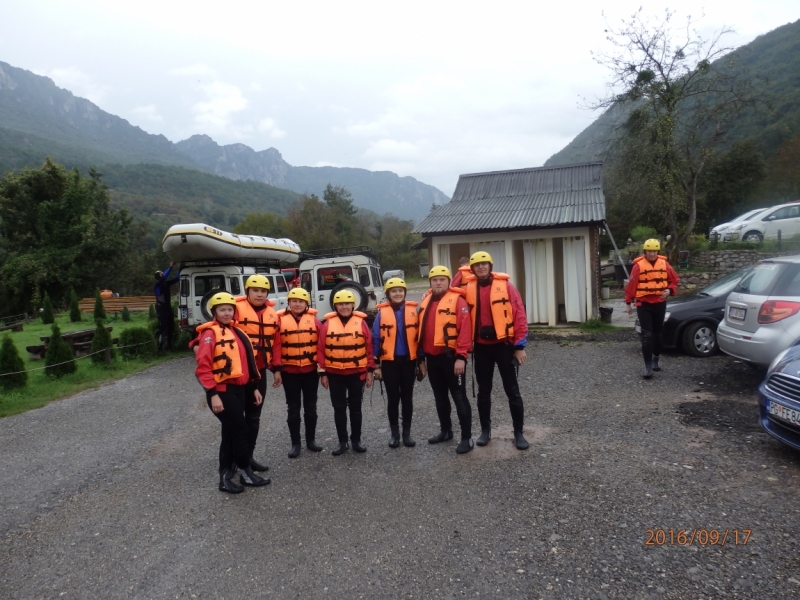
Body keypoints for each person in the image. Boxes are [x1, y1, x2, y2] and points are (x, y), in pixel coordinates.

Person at [194, 292, 270, 493]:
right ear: (214, 312)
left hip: (239, 389)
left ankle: (226, 476)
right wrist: (212, 394)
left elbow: (246, 364)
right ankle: (246, 473)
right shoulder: (210, 334)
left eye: (229, 309)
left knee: (229, 434)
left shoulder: (237, 332)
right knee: (240, 431)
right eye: (222, 310)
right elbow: (203, 368)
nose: (227, 313)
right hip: (222, 391)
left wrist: (253, 387)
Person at [464, 251, 530, 450]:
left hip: (504, 346)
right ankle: (485, 431)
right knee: (484, 392)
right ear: (473, 269)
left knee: (513, 392)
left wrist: (520, 346)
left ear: (490, 266)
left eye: (484, 264)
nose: (481, 267)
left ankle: (518, 433)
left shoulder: (506, 287)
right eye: (477, 265)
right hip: (482, 349)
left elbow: (519, 315)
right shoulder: (467, 288)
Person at [418, 266, 474, 454]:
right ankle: (446, 431)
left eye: (442, 279)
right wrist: (421, 360)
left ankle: (467, 438)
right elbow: (419, 332)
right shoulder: (426, 300)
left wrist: (461, 357)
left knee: (459, 397)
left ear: (449, 281)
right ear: (430, 283)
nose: (438, 282)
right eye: (435, 280)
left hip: (451, 358)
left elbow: (465, 330)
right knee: (440, 398)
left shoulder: (458, 301)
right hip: (432, 358)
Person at [317, 290, 376, 455]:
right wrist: (323, 374)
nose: (344, 307)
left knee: (356, 408)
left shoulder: (361, 323)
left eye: (347, 303)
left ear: (353, 305)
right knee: (339, 409)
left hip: (357, 373)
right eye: (340, 304)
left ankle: (356, 440)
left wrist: (370, 370)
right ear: (335, 306)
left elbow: (369, 348)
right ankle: (343, 442)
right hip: (335, 374)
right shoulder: (327, 324)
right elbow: (320, 349)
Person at [272, 287, 324, 458]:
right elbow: (277, 346)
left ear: (306, 304)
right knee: (293, 408)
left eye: (301, 301)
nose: (297, 304)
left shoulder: (314, 321)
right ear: (289, 303)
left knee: (310, 408)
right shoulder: (280, 321)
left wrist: (322, 370)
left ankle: (311, 440)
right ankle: (295, 443)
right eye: (294, 301)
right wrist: (277, 370)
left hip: (310, 372)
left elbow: (321, 346)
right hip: (289, 372)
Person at [234, 275, 279, 472]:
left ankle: (248, 457)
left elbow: (276, 344)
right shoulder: (235, 309)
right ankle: (235, 459)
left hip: (259, 372)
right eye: (255, 290)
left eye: (263, 291)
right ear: (247, 291)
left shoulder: (272, 313)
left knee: (253, 417)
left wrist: (276, 368)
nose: (259, 294)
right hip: (238, 372)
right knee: (236, 419)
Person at [372, 277, 420, 448]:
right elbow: (376, 339)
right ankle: (395, 434)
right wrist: (376, 365)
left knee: (407, 398)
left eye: (401, 290)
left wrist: (421, 362)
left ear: (405, 292)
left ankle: (407, 434)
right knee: (393, 399)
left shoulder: (414, 310)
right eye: (394, 291)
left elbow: (420, 337)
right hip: (389, 362)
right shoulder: (381, 314)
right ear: (388, 294)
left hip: (408, 361)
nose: (398, 293)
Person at [624, 239, 679, 379]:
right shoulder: (638, 266)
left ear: (658, 252)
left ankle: (656, 358)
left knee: (658, 335)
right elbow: (631, 285)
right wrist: (628, 302)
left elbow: (674, 280)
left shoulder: (664, 264)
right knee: (647, 336)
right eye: (650, 251)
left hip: (659, 303)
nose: (652, 254)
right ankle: (647, 366)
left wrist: (669, 290)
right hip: (644, 305)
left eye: (655, 251)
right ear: (645, 252)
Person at [154, 261, 180, 350]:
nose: (163, 274)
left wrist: (180, 269)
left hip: (168, 309)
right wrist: (171, 267)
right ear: (158, 277)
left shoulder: (166, 283)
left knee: (170, 329)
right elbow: (164, 277)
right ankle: (159, 348)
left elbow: (177, 279)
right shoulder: (157, 286)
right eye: (161, 274)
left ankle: (169, 347)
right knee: (163, 329)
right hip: (161, 311)